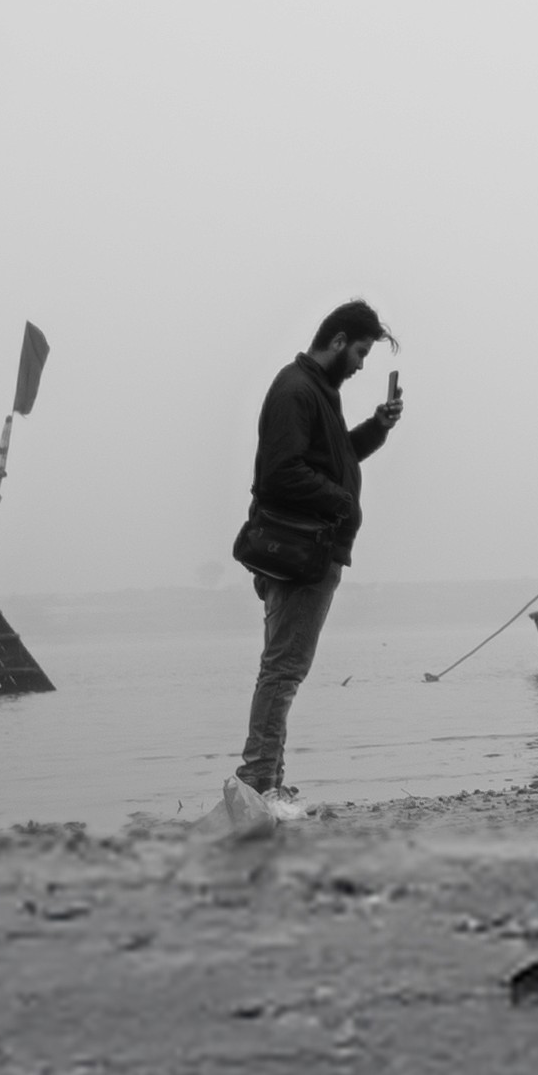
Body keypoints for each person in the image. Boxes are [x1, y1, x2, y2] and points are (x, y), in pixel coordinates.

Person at [226, 300, 399, 800]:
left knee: (282, 669)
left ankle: (268, 783)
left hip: (308, 551)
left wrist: (377, 427)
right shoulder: (296, 390)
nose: (361, 365)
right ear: (339, 341)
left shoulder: (317, 390)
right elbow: (280, 473)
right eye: (361, 352)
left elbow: (332, 458)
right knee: (283, 670)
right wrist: (341, 501)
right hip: (301, 554)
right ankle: (257, 783)